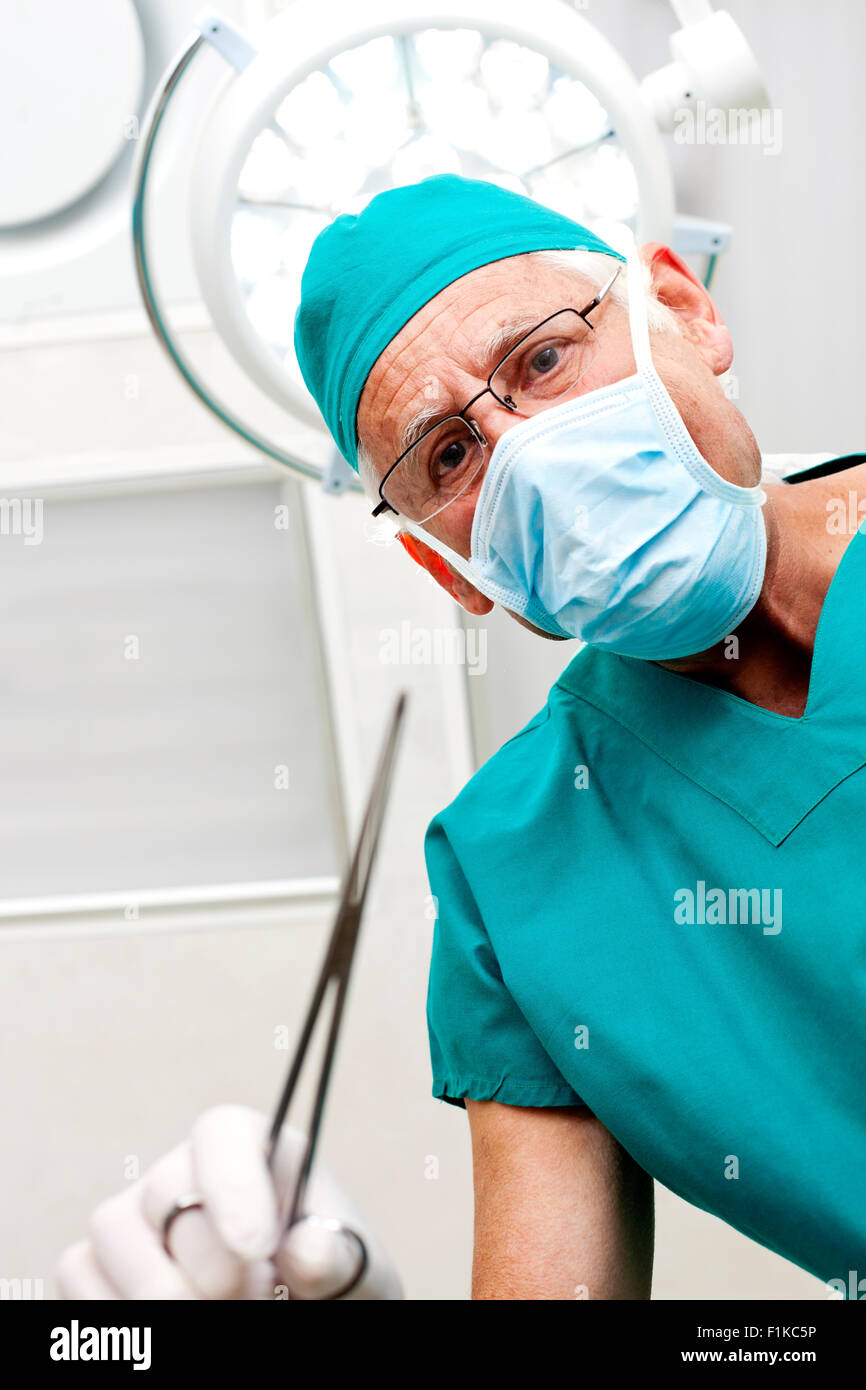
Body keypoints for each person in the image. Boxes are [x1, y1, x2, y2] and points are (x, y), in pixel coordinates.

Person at [58, 175, 866, 1300]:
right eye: (448, 454)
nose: (531, 455)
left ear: (682, 309)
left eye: (540, 360)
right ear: (448, 568)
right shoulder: (516, 873)